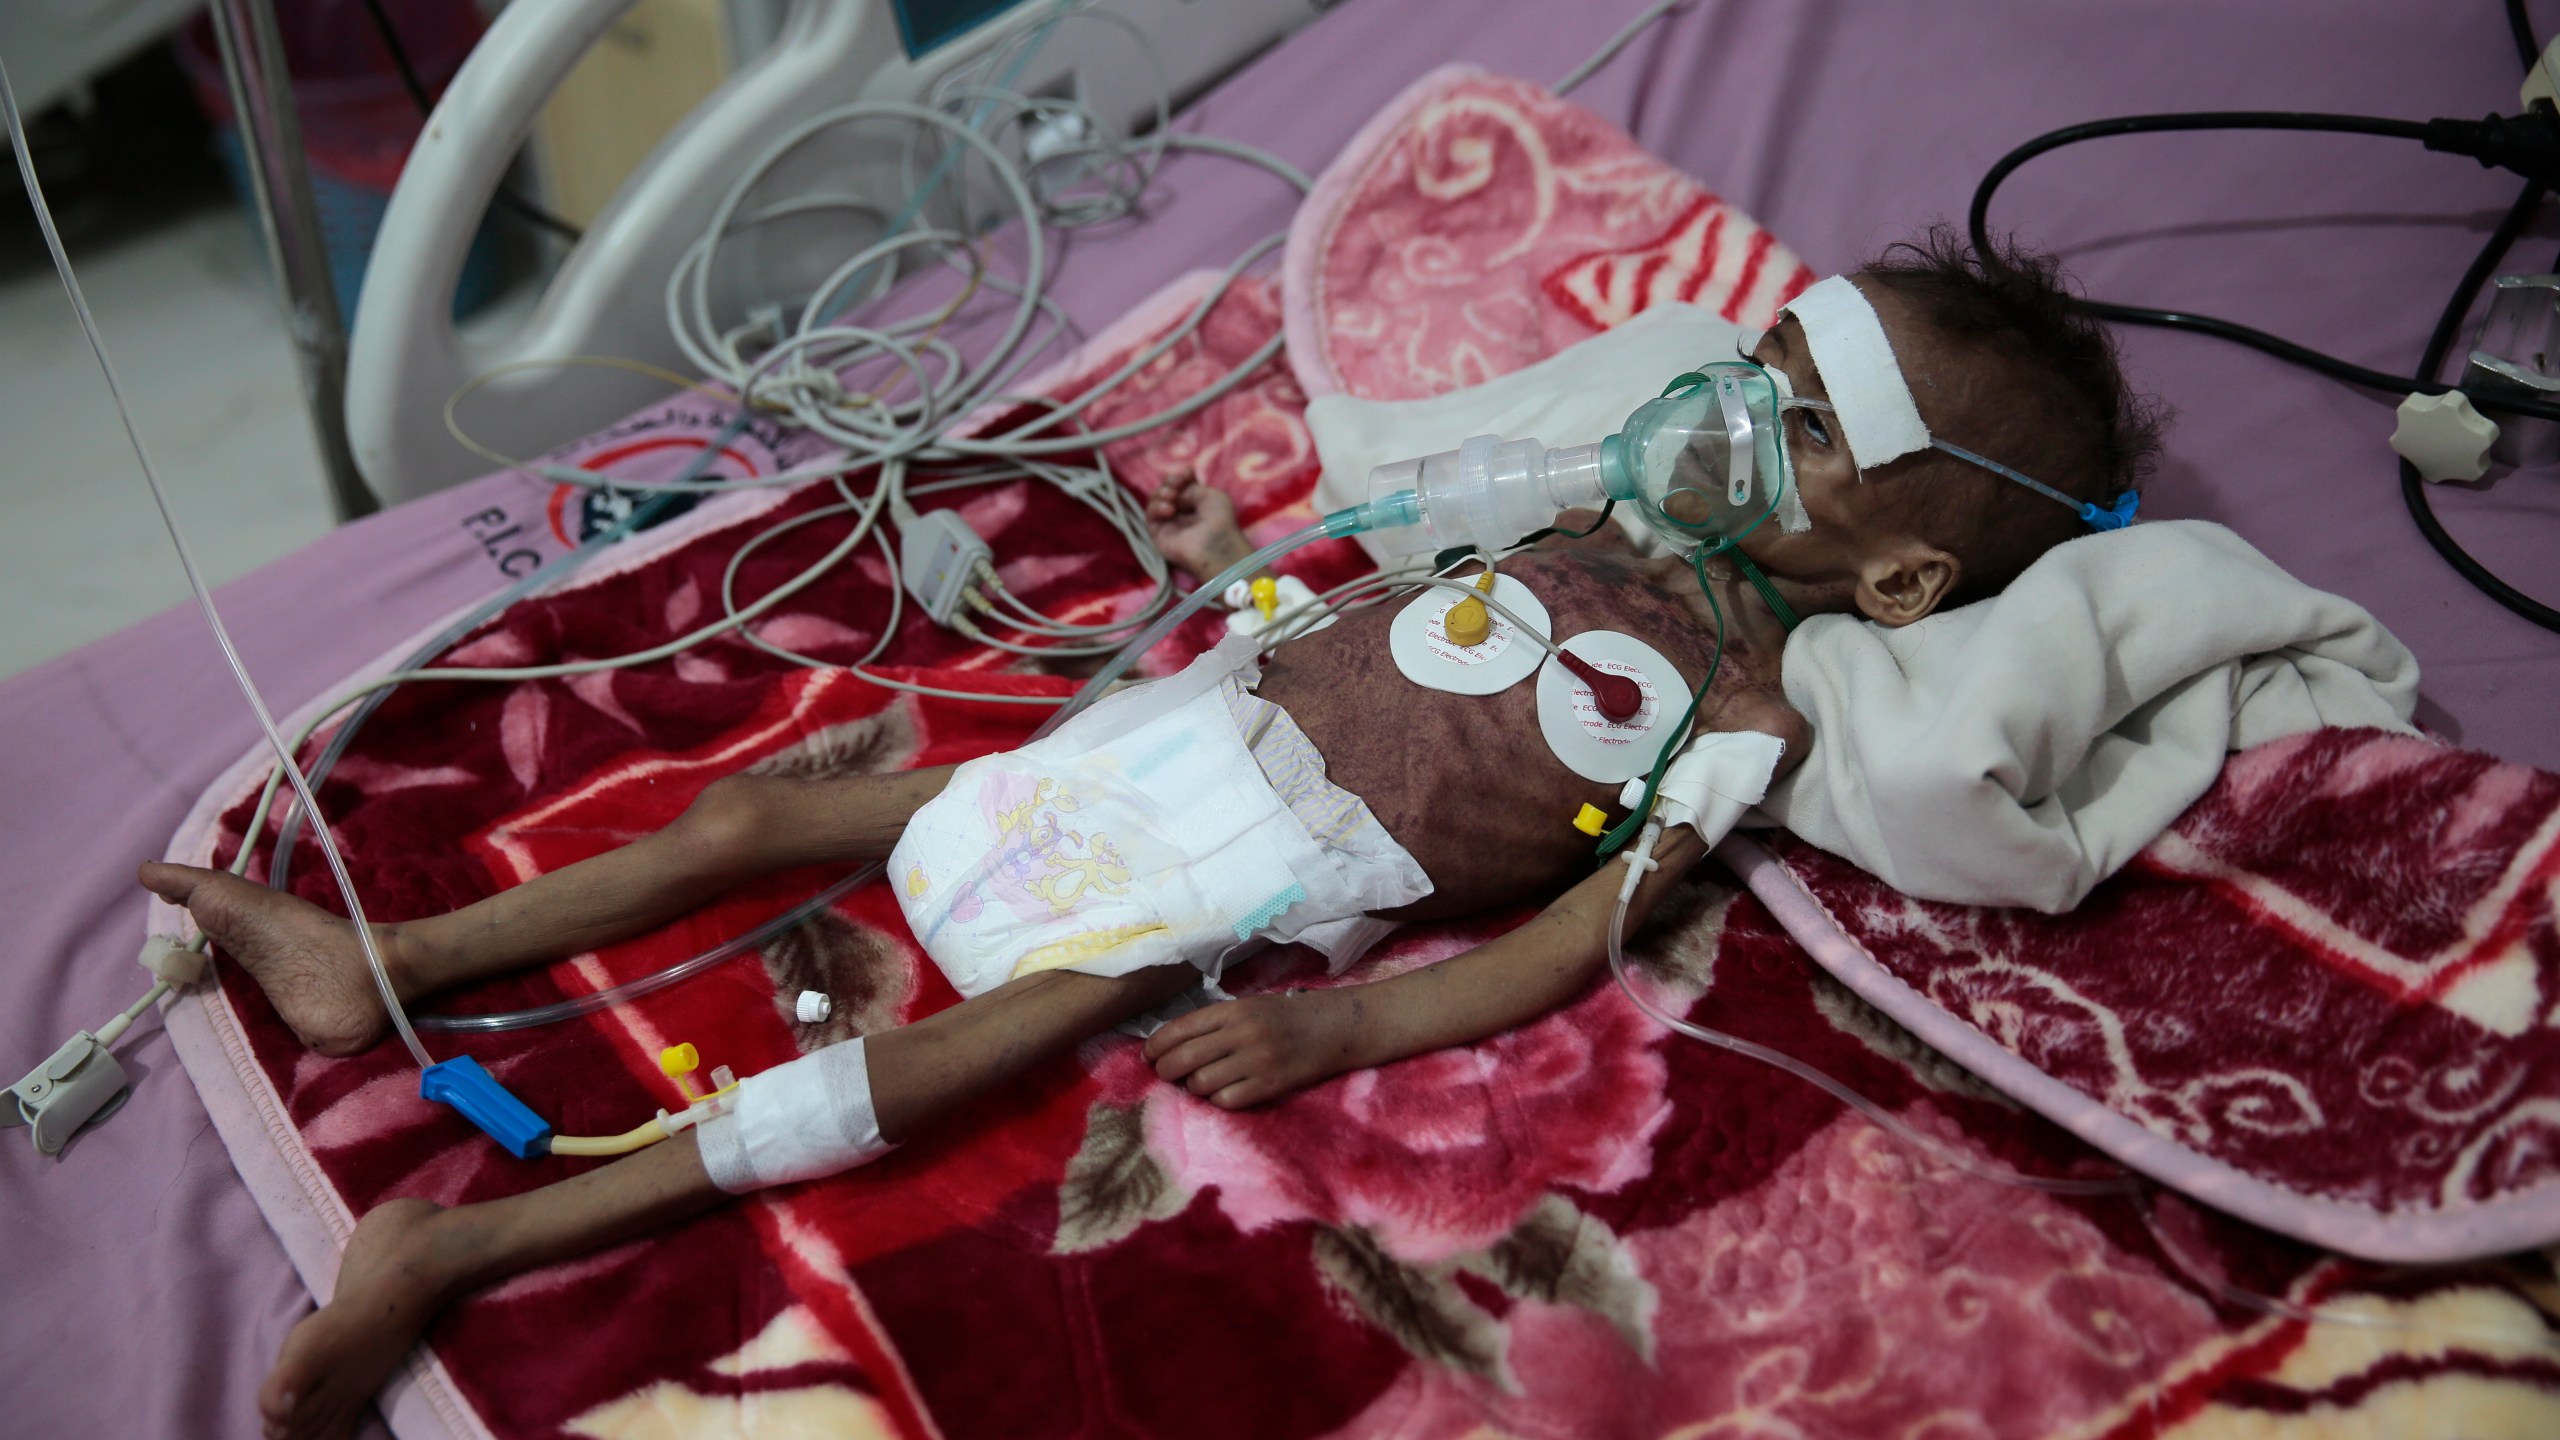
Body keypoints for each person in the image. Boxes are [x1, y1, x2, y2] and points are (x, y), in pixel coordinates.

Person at [140, 231, 2158, 1440]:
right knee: (769, 811)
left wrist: (1332, 1039)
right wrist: (1229, 574)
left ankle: (456, 1242)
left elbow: (1576, 945)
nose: (1719, 416)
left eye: (1799, 431)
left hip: (1261, 875)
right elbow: (1367, 591)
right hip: (1196, 717)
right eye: (1761, 369)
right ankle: (374, 973)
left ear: (1897, 580)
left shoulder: (1744, 713)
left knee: (958, 1044)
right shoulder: (1591, 521)